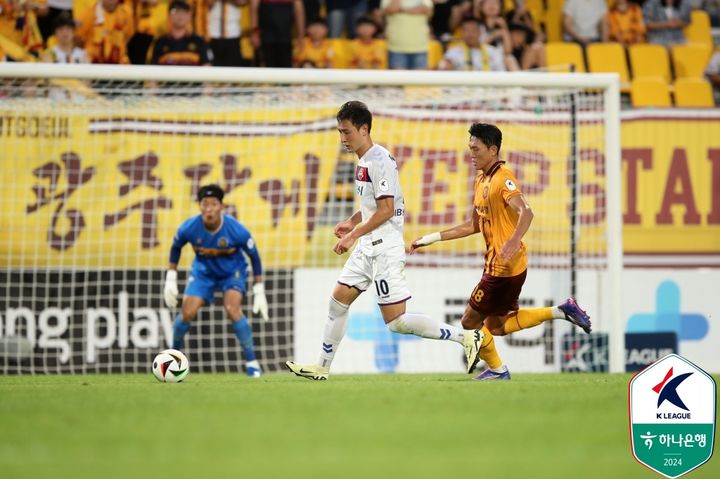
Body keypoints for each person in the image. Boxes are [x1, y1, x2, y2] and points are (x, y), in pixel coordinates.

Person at [286, 101, 483, 381]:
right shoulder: (364, 161)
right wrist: (353, 221)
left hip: (384, 248)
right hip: (368, 246)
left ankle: (465, 337)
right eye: (339, 133)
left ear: (364, 129)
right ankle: (322, 367)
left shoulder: (379, 160)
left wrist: (353, 235)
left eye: (347, 132)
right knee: (338, 302)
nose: (342, 139)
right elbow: (375, 205)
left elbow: (387, 210)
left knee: (396, 322)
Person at [410, 123, 592, 380]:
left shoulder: (502, 178)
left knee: (469, 322)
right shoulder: (481, 179)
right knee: (496, 326)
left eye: (476, 149)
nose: (471, 154)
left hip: (502, 267)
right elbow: (474, 224)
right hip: (507, 264)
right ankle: (562, 311)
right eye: (470, 148)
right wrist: (431, 238)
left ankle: (498, 370)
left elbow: (526, 211)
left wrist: (513, 239)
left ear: (493, 149)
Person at [163, 184, 270, 377]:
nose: (209, 209)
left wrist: (259, 289)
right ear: (199, 206)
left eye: (213, 204)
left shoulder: (236, 230)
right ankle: (173, 356)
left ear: (222, 206)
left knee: (232, 309)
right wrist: (170, 278)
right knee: (187, 312)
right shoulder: (189, 228)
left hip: (232, 272)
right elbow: (176, 246)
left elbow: (254, 257)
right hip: (203, 272)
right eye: (205, 204)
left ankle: (252, 362)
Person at [149, 0, 211, 66]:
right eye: (175, 11)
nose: (180, 15)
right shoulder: (160, 42)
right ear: (169, 15)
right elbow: (153, 68)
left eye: (184, 12)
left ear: (189, 16)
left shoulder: (199, 41)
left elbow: (207, 66)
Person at [380, 0, 433, 70]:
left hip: (420, 47)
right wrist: (410, 10)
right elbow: (392, 9)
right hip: (396, 47)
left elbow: (425, 9)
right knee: (398, 80)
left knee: (419, 80)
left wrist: (402, 9)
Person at [438, 17, 506, 71]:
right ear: (462, 33)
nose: (470, 34)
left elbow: (501, 73)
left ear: (479, 32)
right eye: (466, 30)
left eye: (473, 30)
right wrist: (446, 66)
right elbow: (443, 68)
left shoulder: (493, 52)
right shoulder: (453, 52)